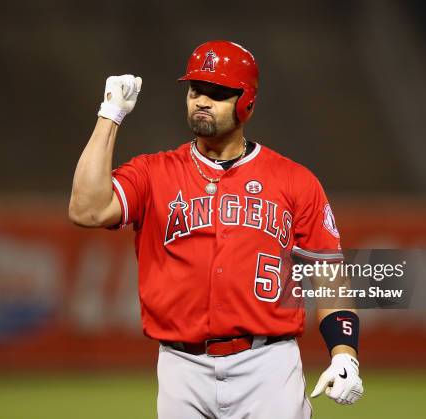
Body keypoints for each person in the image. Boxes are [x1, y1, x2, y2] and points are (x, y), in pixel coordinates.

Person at [69, 40, 363, 419]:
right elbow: (86, 209)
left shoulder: (294, 181)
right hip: (181, 368)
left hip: (268, 367)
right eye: (196, 90)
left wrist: (345, 355)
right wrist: (109, 115)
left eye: (218, 93)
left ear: (247, 102)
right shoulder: (153, 173)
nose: (202, 101)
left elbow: (330, 277)